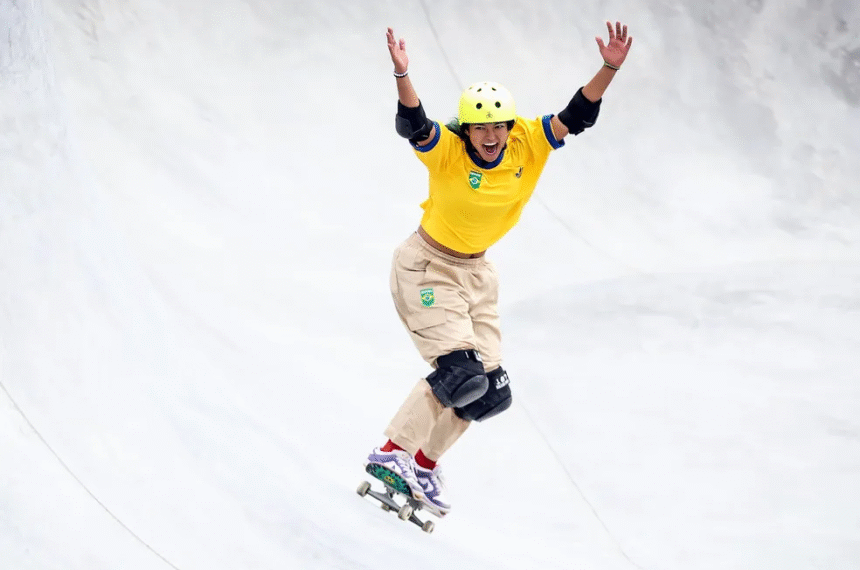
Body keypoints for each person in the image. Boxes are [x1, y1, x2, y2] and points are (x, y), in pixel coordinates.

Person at [365, 22, 633, 517]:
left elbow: (578, 114)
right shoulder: (446, 151)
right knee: (459, 372)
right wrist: (403, 73)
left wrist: (610, 67)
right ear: (466, 130)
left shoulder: (528, 143)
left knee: (488, 392)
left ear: (509, 127)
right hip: (427, 268)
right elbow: (414, 124)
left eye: (497, 127)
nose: (489, 138)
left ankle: (423, 462)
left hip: (477, 276)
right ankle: (391, 453)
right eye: (479, 129)